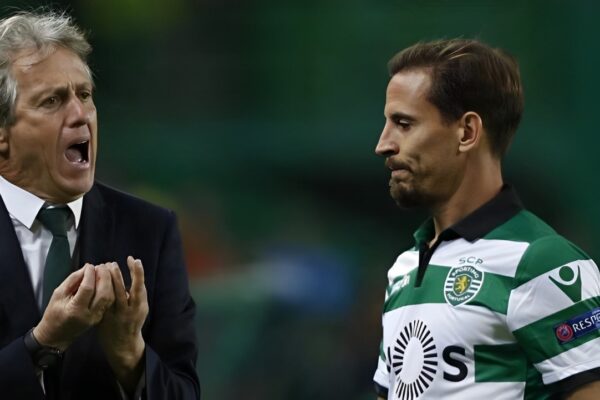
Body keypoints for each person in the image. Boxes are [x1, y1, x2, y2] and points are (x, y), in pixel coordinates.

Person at [372, 39, 600, 399]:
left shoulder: (542, 263)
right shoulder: (403, 269)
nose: (383, 143)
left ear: (466, 132)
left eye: (403, 123)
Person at [0, 10, 200, 399]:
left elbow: (185, 393)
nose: (80, 115)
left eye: (85, 95)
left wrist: (130, 352)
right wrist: (41, 343)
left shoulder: (150, 230)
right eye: (52, 100)